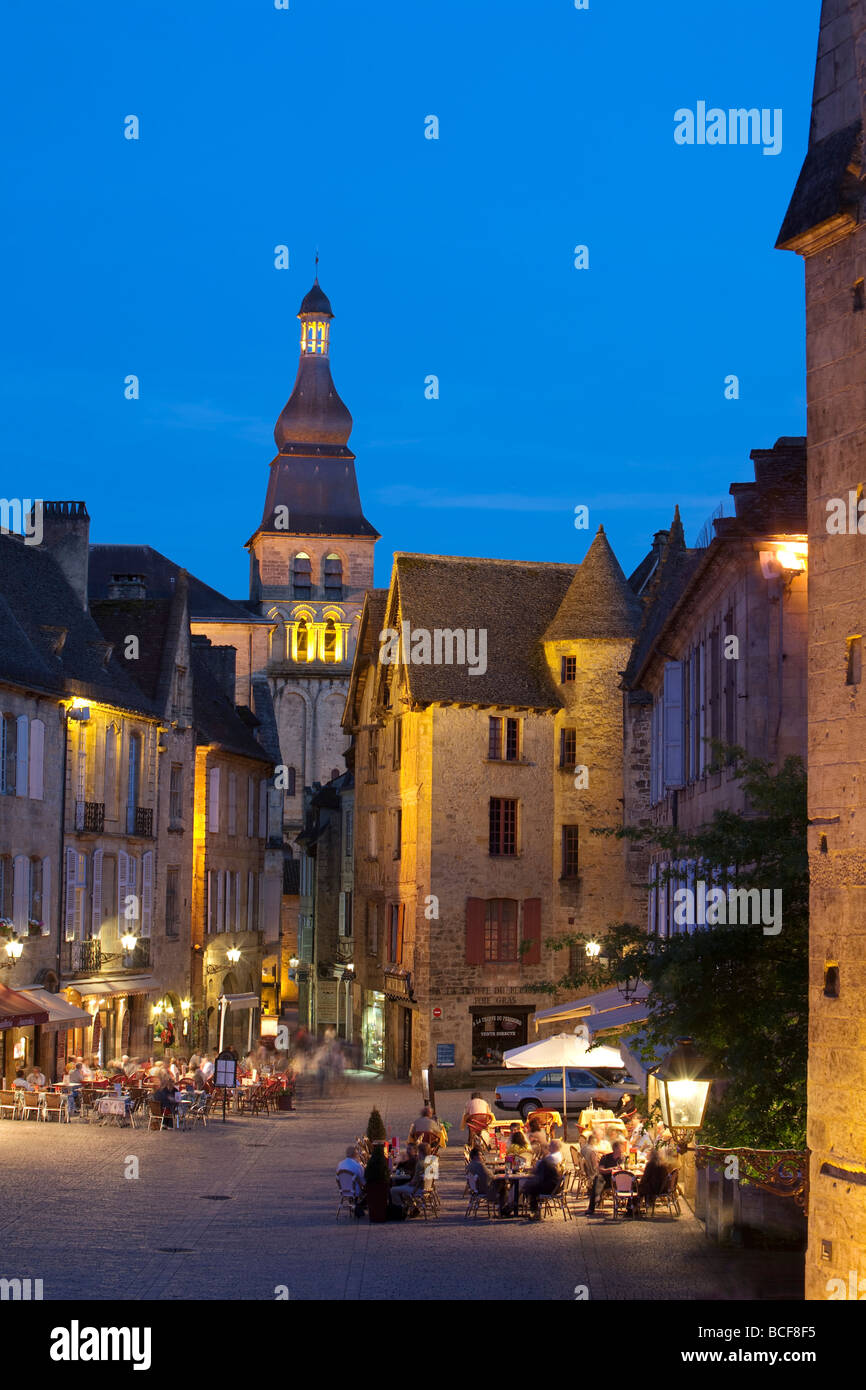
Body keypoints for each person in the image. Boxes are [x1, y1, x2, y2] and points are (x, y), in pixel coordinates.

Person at [515, 1145, 561, 1219]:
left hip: (550, 1188)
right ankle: (533, 1210)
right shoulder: (547, 1161)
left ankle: (535, 1212)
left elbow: (539, 1178)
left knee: (531, 1189)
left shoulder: (543, 1162)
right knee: (530, 1187)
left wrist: (530, 1181)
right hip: (555, 1186)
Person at [587, 1140, 625, 1215]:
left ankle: (631, 1208)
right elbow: (601, 1169)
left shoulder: (623, 1158)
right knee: (598, 1179)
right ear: (615, 1149)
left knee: (634, 1182)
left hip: (619, 1180)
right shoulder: (606, 1157)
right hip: (606, 1178)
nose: (622, 1151)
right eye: (620, 1149)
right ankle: (593, 1204)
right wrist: (611, 1169)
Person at [636, 1148, 671, 1213]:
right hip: (662, 1187)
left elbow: (644, 1179)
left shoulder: (650, 1164)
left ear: (651, 1155)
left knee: (635, 1187)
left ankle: (632, 1209)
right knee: (638, 1186)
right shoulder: (662, 1163)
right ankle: (638, 1207)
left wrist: (638, 1183)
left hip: (654, 1188)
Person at [336, 1146, 367, 1218]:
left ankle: (356, 1206)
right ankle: (359, 1206)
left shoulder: (340, 1164)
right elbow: (363, 1181)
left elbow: (338, 1177)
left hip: (343, 1190)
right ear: (355, 1155)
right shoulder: (357, 1165)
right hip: (355, 1191)